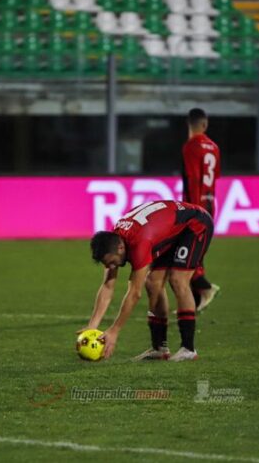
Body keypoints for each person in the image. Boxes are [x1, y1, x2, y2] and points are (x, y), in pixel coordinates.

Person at [81, 200, 214, 361]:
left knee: (178, 280)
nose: (111, 266)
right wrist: (92, 325)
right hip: (168, 230)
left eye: (112, 262)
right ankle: (160, 348)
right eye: (107, 264)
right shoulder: (114, 241)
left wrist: (114, 330)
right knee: (152, 282)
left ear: (121, 248)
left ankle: (188, 349)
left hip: (195, 224)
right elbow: (108, 286)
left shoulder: (138, 243)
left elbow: (134, 293)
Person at [180, 107, 220, 311]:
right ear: (205, 124)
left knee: (184, 254)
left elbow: (192, 178)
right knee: (193, 253)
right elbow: (213, 181)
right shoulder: (214, 147)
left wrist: (192, 209)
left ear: (189, 124)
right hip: (210, 203)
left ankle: (204, 289)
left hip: (195, 207)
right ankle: (196, 300)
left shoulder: (191, 147)